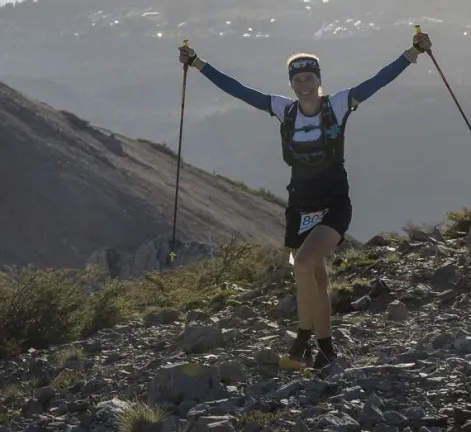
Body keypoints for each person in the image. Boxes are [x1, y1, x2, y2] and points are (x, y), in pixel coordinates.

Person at [177, 28, 432, 370]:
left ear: (319, 79)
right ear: (291, 83)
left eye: (309, 77)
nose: (303, 84)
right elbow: (238, 90)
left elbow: (378, 81)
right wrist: (197, 64)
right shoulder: (285, 110)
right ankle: (324, 353)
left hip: (334, 205)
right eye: (297, 79)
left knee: (306, 262)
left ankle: (303, 340)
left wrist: (412, 53)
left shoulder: (339, 105)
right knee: (311, 278)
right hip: (300, 207)